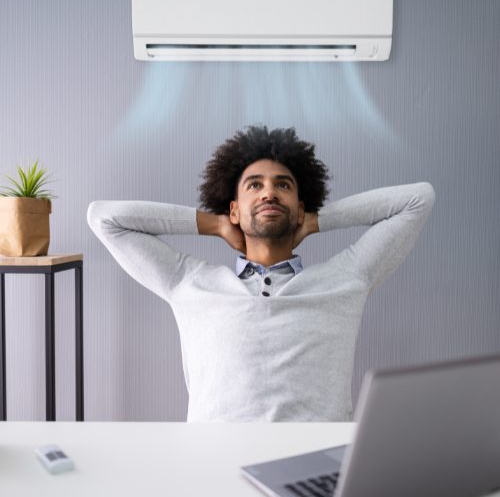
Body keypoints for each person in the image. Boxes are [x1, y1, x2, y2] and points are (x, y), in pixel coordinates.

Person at [87, 124, 435, 422]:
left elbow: (418, 199)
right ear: (234, 209)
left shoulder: (347, 279)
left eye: (283, 185)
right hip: (215, 472)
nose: (269, 191)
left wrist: (316, 221)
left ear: (300, 208)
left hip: (316, 468)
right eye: (254, 185)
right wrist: (216, 224)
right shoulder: (190, 282)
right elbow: (104, 218)